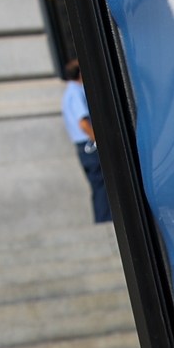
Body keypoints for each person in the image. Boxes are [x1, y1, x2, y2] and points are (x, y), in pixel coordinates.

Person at [63, 58, 111, 224]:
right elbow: (83, 122)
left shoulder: (69, 92)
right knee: (103, 185)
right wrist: (99, 140)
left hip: (83, 145)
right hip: (89, 145)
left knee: (99, 185)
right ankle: (105, 221)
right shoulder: (76, 92)